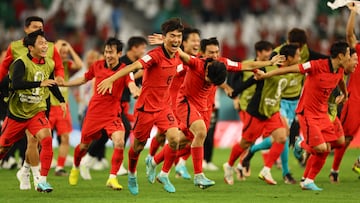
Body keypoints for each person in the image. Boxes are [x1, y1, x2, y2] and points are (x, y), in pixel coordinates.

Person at [97, 18, 184, 195]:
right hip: (145, 108)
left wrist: (168, 41)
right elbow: (133, 66)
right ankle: (131, 174)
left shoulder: (177, 53)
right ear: (165, 37)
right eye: (172, 36)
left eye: (179, 36)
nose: (176, 40)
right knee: (137, 147)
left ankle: (164, 174)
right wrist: (111, 78)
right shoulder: (154, 55)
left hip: (164, 107)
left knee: (176, 139)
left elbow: (182, 51)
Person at [256, 41, 351, 191]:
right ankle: (300, 144)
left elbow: (341, 82)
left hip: (323, 113)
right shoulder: (315, 65)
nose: (349, 57)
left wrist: (345, 95)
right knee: (320, 148)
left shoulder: (339, 70)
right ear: (340, 56)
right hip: (308, 113)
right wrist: (266, 74)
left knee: (327, 148)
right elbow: (289, 70)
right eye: (348, 54)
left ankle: (308, 181)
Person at [65, 38, 139, 190]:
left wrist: (135, 91)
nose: (108, 55)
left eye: (111, 52)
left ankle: (112, 178)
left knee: (119, 141)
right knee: (84, 146)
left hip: (112, 114)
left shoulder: (125, 69)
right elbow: (83, 79)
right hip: (94, 114)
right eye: (106, 52)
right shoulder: (97, 66)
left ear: (119, 53)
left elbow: (131, 83)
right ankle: (75, 167)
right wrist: (64, 83)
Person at [0, 16, 65, 191]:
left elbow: (53, 75)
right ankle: (25, 172)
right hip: (17, 111)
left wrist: (62, 100)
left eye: (41, 28)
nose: (39, 31)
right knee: (4, 147)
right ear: (26, 29)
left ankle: (40, 179)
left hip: (38, 107)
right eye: (35, 27)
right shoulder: (16, 53)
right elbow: (10, 77)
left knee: (42, 139)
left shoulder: (49, 55)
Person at [223, 44, 298, 186]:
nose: (299, 58)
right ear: (289, 58)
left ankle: (266, 170)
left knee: (282, 137)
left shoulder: (292, 71)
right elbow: (250, 81)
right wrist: (234, 92)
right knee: (245, 143)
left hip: (273, 111)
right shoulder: (265, 69)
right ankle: (229, 165)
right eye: (297, 55)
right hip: (257, 112)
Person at [146, 27, 201, 180]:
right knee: (170, 136)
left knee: (189, 135)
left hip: (185, 103)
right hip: (172, 103)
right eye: (194, 41)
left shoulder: (196, 59)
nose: (197, 44)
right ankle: (153, 159)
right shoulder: (177, 59)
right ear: (185, 43)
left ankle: (174, 163)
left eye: (198, 40)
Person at [227, 40, 274, 179]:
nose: (269, 54)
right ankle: (242, 164)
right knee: (249, 139)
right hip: (246, 105)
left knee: (263, 136)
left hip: (263, 106)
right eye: (267, 51)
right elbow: (233, 81)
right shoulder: (247, 65)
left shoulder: (270, 67)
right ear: (259, 52)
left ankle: (261, 168)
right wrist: (235, 98)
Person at [329, 3, 360, 182]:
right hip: (355, 99)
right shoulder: (358, 51)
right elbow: (349, 35)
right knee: (345, 139)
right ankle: (333, 170)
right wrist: (354, 12)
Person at [50, 39, 83, 176]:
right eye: (61, 52)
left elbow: (80, 65)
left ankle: (59, 167)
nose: (64, 55)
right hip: (49, 107)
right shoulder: (48, 64)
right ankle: (41, 164)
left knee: (65, 138)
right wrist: (57, 47)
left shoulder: (66, 65)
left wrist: (70, 47)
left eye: (65, 53)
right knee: (42, 139)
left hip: (63, 108)